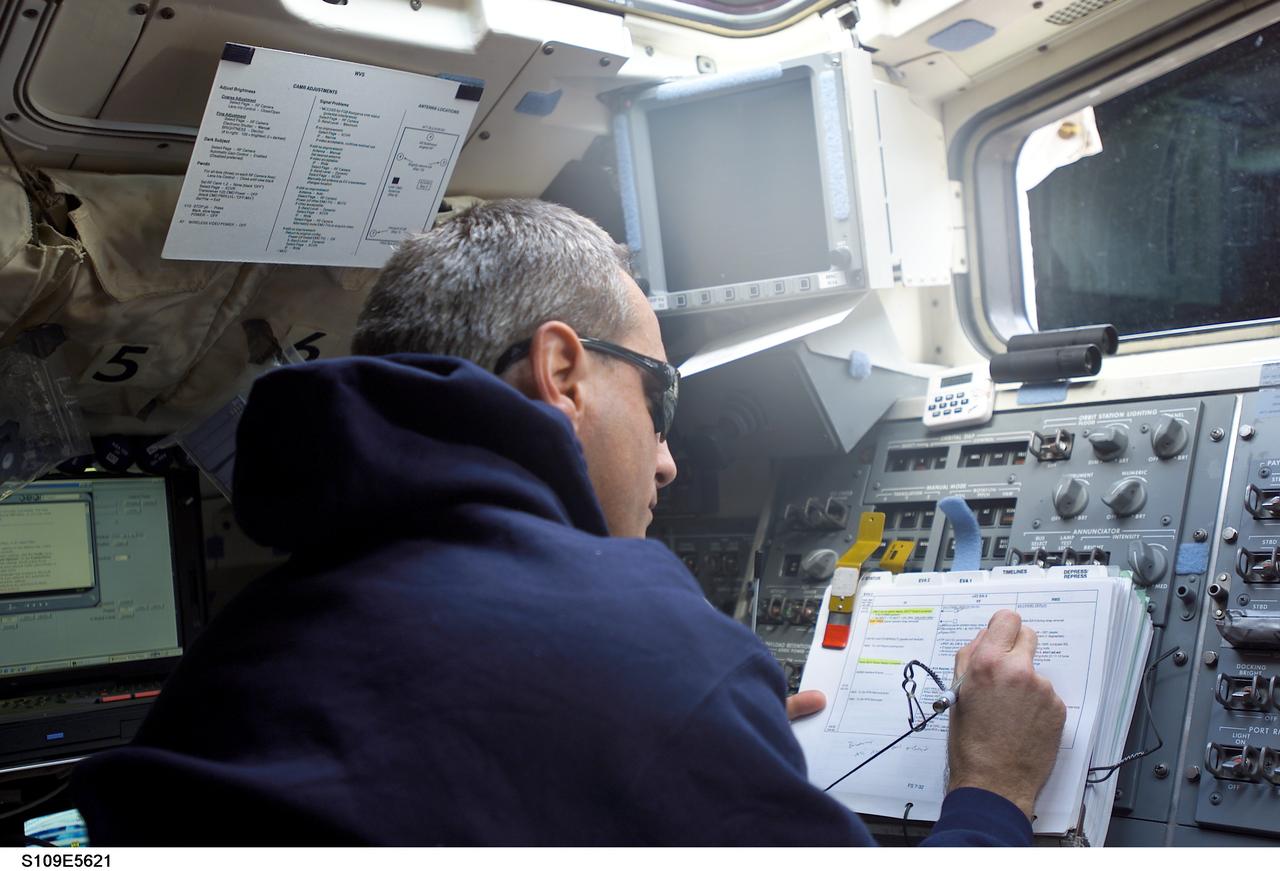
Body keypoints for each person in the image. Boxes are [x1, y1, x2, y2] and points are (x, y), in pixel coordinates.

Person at [71, 199, 1065, 845]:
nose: (668, 457)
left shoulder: (244, 636)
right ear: (560, 371)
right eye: (658, 399)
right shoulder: (634, 632)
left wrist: (698, 732)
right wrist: (991, 787)